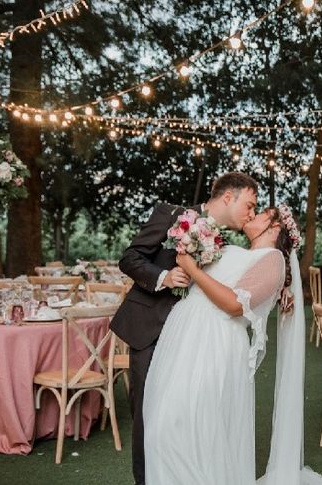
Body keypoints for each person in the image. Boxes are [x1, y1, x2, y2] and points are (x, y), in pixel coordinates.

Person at [143, 206, 322, 485]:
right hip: (186, 340)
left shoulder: (274, 260)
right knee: (165, 425)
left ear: (276, 227)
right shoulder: (236, 251)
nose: (252, 213)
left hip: (215, 344)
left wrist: (192, 268)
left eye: (262, 212)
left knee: (184, 427)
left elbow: (234, 304)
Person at [111, 172, 258, 485]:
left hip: (189, 339)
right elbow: (130, 258)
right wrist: (164, 277)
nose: (251, 213)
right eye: (249, 204)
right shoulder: (171, 214)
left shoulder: (225, 243)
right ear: (228, 197)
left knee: (178, 417)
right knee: (148, 420)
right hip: (151, 329)